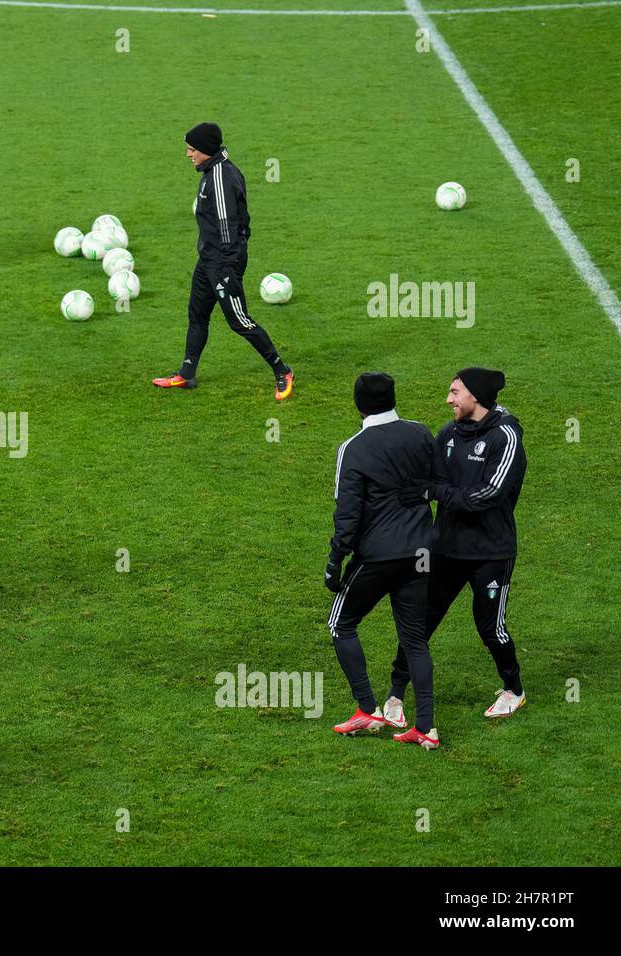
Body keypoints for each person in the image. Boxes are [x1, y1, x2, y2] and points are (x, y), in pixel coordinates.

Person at [396, 368, 527, 719]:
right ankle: (395, 694)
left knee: (489, 626)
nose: (448, 399)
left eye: (455, 392)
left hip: (490, 552)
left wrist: (435, 492)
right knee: (421, 619)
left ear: (476, 396)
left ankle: (513, 688)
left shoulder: (506, 438)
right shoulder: (448, 433)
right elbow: (429, 478)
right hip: (445, 548)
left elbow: (487, 495)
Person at [326, 373, 439, 748]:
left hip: (378, 556)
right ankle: (426, 727)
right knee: (415, 639)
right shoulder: (421, 433)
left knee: (341, 623)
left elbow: (347, 514)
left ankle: (368, 710)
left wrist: (334, 561)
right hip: (421, 553)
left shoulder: (354, 448)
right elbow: (437, 484)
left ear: (358, 403)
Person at [152, 122, 293, 400]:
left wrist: (228, 265)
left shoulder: (220, 178)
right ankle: (187, 374)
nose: (189, 154)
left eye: (192, 150)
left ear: (206, 150)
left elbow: (229, 224)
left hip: (222, 262)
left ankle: (282, 370)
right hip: (208, 259)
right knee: (197, 315)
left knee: (239, 321)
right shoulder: (213, 171)